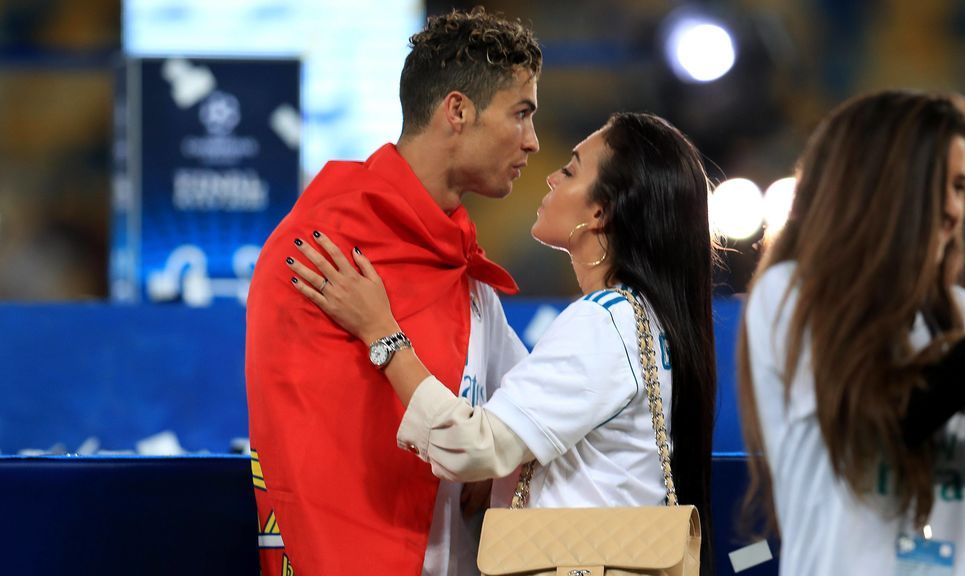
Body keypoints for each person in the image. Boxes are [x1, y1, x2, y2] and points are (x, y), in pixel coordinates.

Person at [287, 112, 719, 574]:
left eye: (570, 170)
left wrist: (381, 333)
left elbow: (474, 445)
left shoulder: (602, 323)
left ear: (600, 212)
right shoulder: (642, 317)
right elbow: (527, 420)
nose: (550, 175)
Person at [245, 8, 541, 575]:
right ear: (458, 110)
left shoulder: (461, 267)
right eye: (521, 114)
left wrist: (496, 461)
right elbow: (300, 445)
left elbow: (527, 419)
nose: (532, 142)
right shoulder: (321, 248)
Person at [736, 89, 965, 576]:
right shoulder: (794, 296)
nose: (955, 211)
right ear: (883, 185)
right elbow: (891, 420)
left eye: (960, 187)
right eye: (939, 185)